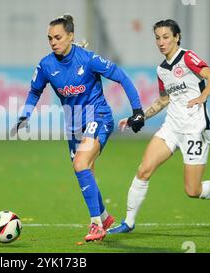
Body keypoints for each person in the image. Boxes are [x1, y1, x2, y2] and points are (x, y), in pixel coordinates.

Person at [10, 14, 145, 242]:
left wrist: (137, 110)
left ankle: (96, 225)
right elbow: (35, 91)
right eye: (50, 38)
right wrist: (26, 113)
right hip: (74, 125)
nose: (53, 42)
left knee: (80, 163)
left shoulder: (88, 59)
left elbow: (122, 77)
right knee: (84, 170)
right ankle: (104, 217)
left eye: (58, 37)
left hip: (99, 117)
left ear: (71, 36)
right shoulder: (46, 65)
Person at [108, 19, 210, 234]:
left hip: (195, 129)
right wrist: (138, 117)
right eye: (157, 38)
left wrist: (202, 97)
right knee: (144, 169)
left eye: (166, 37)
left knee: (193, 190)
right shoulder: (162, 70)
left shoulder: (187, 57)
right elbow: (163, 100)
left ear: (176, 37)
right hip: (171, 127)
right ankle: (128, 223)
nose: (161, 42)